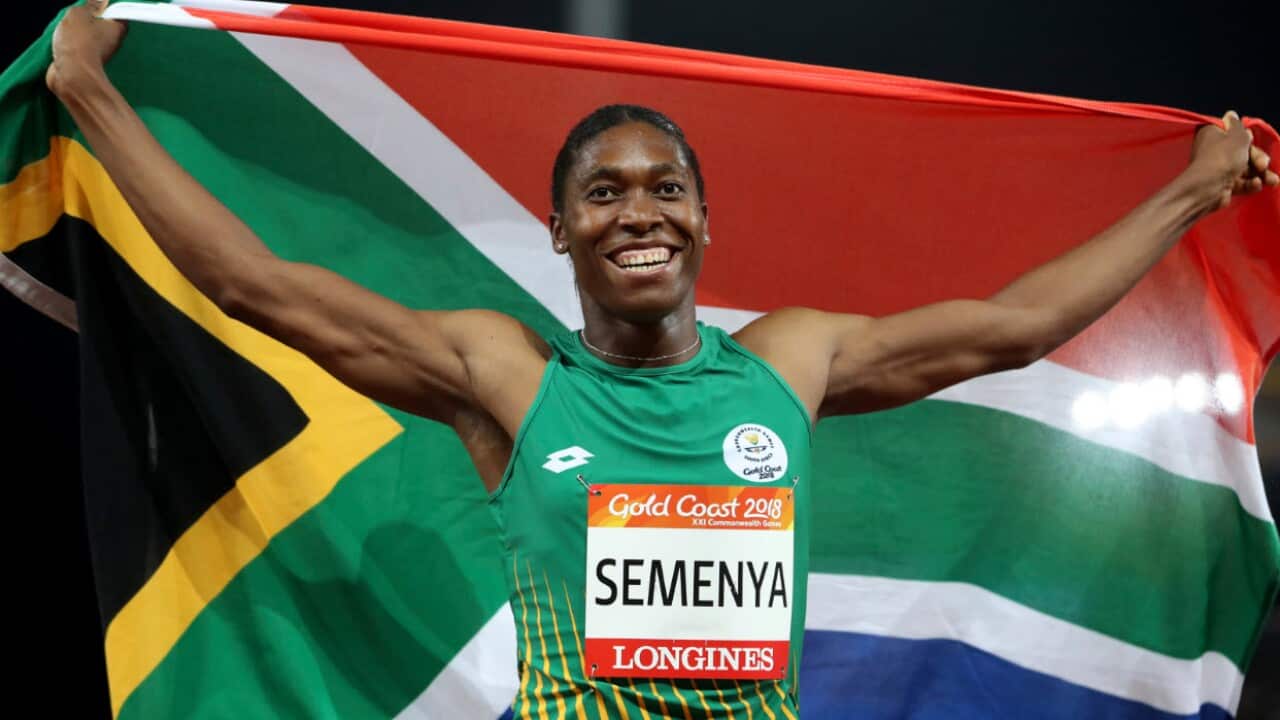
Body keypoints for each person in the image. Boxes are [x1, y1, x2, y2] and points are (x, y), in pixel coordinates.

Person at [45, 2, 1277, 718]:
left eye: (665, 188)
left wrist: (1187, 192)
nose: (638, 211)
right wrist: (91, 96)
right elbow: (255, 285)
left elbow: (1012, 326)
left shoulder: (787, 361)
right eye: (603, 193)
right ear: (560, 229)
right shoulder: (510, 377)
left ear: (701, 220)